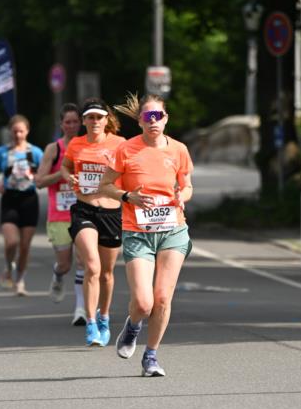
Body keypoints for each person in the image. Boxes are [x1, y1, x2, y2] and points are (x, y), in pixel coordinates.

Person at [98, 93, 193, 377]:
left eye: (158, 116)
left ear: (166, 119)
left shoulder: (178, 150)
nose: (153, 121)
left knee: (162, 298)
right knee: (143, 302)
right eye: (148, 116)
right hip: (137, 232)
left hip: (173, 230)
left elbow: (187, 185)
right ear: (139, 120)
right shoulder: (126, 150)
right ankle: (133, 326)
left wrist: (182, 197)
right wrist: (128, 196)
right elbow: (105, 186)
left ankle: (151, 356)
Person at [61, 98, 123, 346]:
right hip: (84, 210)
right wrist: (70, 178)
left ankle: (104, 317)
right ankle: (90, 322)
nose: (95, 121)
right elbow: (66, 167)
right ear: (84, 120)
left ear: (106, 120)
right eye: (90, 117)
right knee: (92, 267)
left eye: (99, 117)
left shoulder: (120, 144)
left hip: (111, 213)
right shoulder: (76, 144)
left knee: (107, 274)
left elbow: (131, 170)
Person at [35, 103, 86, 325]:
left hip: (84, 212)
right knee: (65, 265)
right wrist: (63, 174)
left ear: (81, 123)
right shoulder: (53, 149)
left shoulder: (88, 146)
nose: (72, 126)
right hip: (60, 214)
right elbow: (39, 182)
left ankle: (81, 310)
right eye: (68, 122)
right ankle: (57, 274)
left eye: (76, 121)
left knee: (83, 261)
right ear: (61, 124)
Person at [0, 115, 43, 296]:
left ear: (27, 131)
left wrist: (37, 178)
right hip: (9, 199)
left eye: (21, 131)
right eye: (15, 131)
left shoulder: (35, 152)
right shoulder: (2, 152)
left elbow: (43, 172)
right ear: (10, 132)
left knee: (25, 246)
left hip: (29, 199)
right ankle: (8, 265)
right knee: (12, 242)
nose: (18, 134)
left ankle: (20, 280)